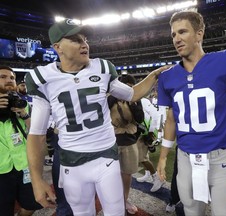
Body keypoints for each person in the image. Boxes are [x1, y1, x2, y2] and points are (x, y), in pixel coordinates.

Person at [25, 19, 169, 216]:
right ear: (57, 47)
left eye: (85, 39)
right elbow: (37, 134)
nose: (84, 44)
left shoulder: (102, 68)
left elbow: (132, 94)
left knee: (116, 212)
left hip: (105, 157)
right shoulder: (42, 78)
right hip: (71, 161)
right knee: (82, 213)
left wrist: (153, 75)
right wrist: (37, 179)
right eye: (75, 40)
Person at [156, 10, 226, 216]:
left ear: (199, 33)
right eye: (173, 34)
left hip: (222, 159)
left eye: (182, 32)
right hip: (185, 161)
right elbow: (171, 119)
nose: (177, 39)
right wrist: (163, 156)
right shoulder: (168, 77)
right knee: (192, 212)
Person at [0, 66, 42, 216]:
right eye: (3, 77)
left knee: (31, 204)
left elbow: (36, 131)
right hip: (1, 169)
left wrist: (24, 114)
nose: (9, 80)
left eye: (11, 78)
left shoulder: (21, 103)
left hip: (24, 164)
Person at [108, 74, 144, 214]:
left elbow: (140, 119)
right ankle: (112, 200)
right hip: (111, 140)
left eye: (130, 87)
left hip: (129, 140)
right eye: (124, 87)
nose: (127, 91)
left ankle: (124, 199)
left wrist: (133, 104)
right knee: (110, 174)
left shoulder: (135, 99)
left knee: (127, 173)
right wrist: (115, 97)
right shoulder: (109, 97)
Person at [136, 96, 165, 193]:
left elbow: (155, 115)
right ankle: (147, 173)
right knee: (144, 156)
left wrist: (151, 131)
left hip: (146, 132)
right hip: (140, 132)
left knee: (142, 158)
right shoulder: (130, 101)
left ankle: (157, 178)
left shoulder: (143, 101)